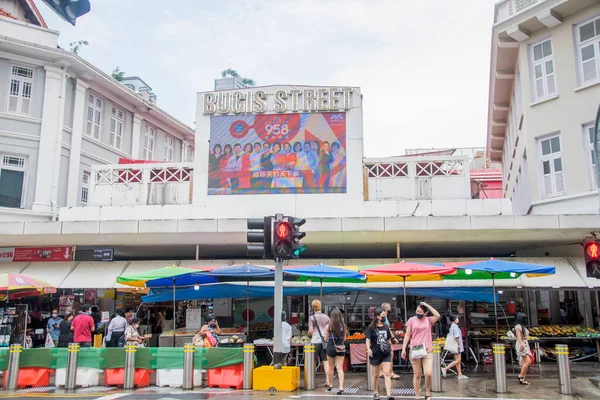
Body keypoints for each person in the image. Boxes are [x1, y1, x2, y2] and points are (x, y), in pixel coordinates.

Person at [402, 302, 440, 400]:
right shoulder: (411, 320)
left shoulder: (429, 320)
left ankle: (427, 392)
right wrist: (403, 348)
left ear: (425, 313)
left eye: (420, 311)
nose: (417, 313)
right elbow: (407, 335)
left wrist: (427, 305)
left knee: (428, 373)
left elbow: (437, 315)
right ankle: (417, 396)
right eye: (417, 311)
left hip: (427, 350)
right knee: (417, 374)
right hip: (415, 349)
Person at [366, 307, 394, 400]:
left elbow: (388, 339)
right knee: (376, 374)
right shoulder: (371, 328)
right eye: (382, 315)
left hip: (385, 353)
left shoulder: (386, 327)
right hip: (375, 353)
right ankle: (375, 392)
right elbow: (368, 340)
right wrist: (368, 349)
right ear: (377, 316)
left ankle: (389, 394)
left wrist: (391, 349)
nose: (384, 316)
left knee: (387, 373)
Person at [308, 299, 331, 388]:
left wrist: (309, 334)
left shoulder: (312, 318)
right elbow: (329, 330)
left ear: (313, 308)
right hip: (324, 343)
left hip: (315, 342)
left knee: (313, 362)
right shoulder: (326, 317)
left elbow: (310, 331)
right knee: (325, 362)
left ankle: (311, 381)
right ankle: (328, 381)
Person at [324, 309, 347, 395]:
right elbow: (344, 339)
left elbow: (326, 338)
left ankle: (330, 385)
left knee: (330, 367)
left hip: (331, 346)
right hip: (340, 347)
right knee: (340, 368)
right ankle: (341, 387)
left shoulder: (328, 326)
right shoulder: (343, 326)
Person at [441, 314, 467, 380]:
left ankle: (460, 374)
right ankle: (445, 368)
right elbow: (457, 337)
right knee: (458, 360)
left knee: (457, 360)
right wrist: (459, 345)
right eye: (457, 318)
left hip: (453, 346)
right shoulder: (455, 327)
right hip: (456, 346)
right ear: (455, 319)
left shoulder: (452, 326)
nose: (458, 319)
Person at [381, 303, 401, 380]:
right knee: (390, 354)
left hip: (383, 339)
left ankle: (382, 372)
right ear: (385, 309)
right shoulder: (384, 318)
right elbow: (388, 330)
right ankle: (390, 373)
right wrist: (393, 338)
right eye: (389, 308)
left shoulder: (384, 317)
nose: (390, 309)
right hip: (386, 339)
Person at [514, 312, 532, 385]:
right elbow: (518, 336)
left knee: (525, 362)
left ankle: (523, 379)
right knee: (528, 361)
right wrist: (521, 344)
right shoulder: (518, 326)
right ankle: (521, 375)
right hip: (522, 345)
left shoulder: (522, 327)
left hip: (525, 344)